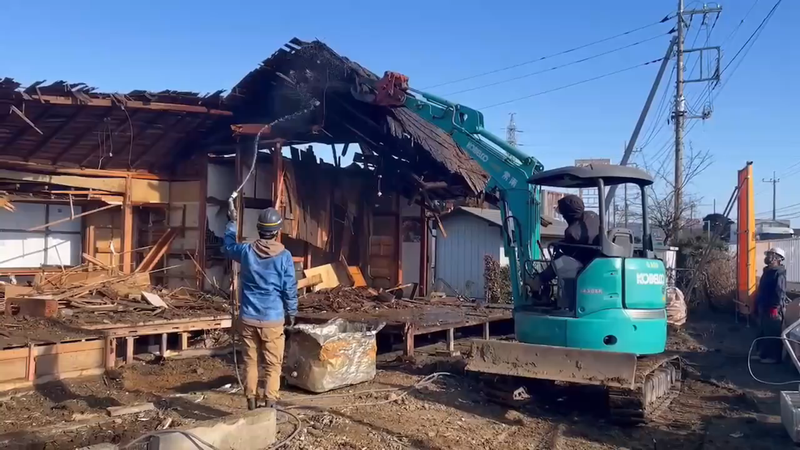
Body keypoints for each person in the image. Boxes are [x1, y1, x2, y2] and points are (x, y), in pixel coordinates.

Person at [222, 201, 298, 410]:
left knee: (251, 362)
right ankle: (270, 405)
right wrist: (291, 312)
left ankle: (251, 403)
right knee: (273, 364)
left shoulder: (246, 251)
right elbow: (289, 288)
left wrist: (231, 223)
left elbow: (228, 247)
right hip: (273, 320)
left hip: (248, 318)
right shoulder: (284, 256)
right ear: (277, 231)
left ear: (258, 229)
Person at [528, 195, 601, 297]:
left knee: (559, 262)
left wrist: (559, 247)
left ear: (568, 213)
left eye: (563, 213)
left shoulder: (571, 231)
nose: (563, 216)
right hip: (595, 259)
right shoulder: (593, 216)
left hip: (584, 263)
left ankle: (538, 281)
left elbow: (569, 252)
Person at [754, 247, 787, 364]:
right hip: (763, 306)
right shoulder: (767, 272)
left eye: (771, 255)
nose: (768, 257)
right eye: (768, 254)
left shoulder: (779, 273)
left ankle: (774, 357)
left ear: (778, 258)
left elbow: (780, 291)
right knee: (763, 331)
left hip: (773, 309)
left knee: (773, 332)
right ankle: (763, 354)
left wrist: (775, 307)